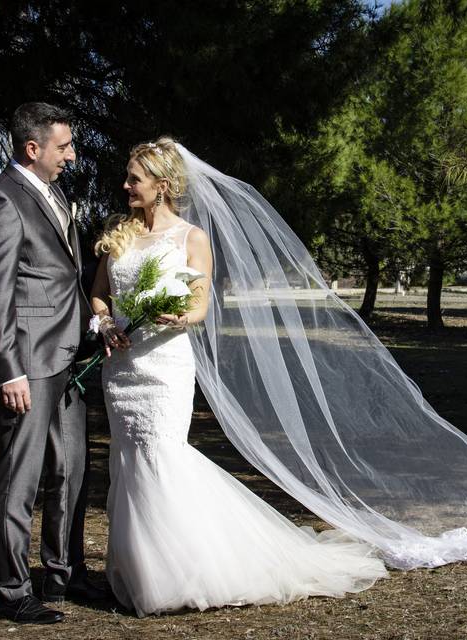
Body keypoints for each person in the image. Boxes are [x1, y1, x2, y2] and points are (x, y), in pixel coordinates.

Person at [90, 138, 388, 616]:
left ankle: (181, 570)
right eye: (127, 178)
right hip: (120, 367)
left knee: (163, 455)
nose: (125, 186)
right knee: (127, 461)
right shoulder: (120, 235)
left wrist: (175, 316)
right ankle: (136, 568)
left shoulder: (191, 239)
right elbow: (100, 293)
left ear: (162, 186)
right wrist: (103, 322)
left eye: (134, 179)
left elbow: (200, 304)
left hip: (165, 366)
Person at [0, 102, 106, 625]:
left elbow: (64, 276)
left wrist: (95, 327)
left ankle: (62, 573)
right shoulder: (3, 202)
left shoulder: (54, 196)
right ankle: (10, 590)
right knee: (20, 477)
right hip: (28, 361)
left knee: (72, 470)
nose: (72, 155)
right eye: (64, 146)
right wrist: (9, 369)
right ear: (34, 148)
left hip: (68, 356)